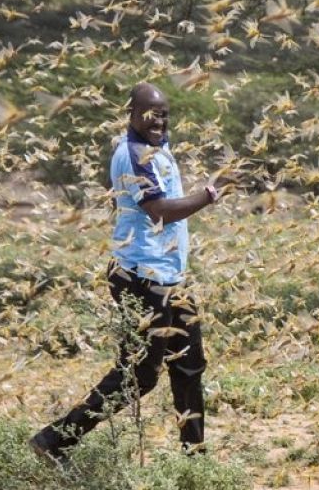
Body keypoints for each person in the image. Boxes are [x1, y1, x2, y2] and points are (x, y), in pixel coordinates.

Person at [29, 82, 233, 465]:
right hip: (141, 277)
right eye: (150, 113)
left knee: (189, 364)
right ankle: (54, 441)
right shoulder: (134, 154)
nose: (158, 120)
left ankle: (196, 459)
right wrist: (208, 196)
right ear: (132, 113)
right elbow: (159, 210)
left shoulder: (158, 146)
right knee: (139, 374)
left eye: (164, 113)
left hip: (170, 276)